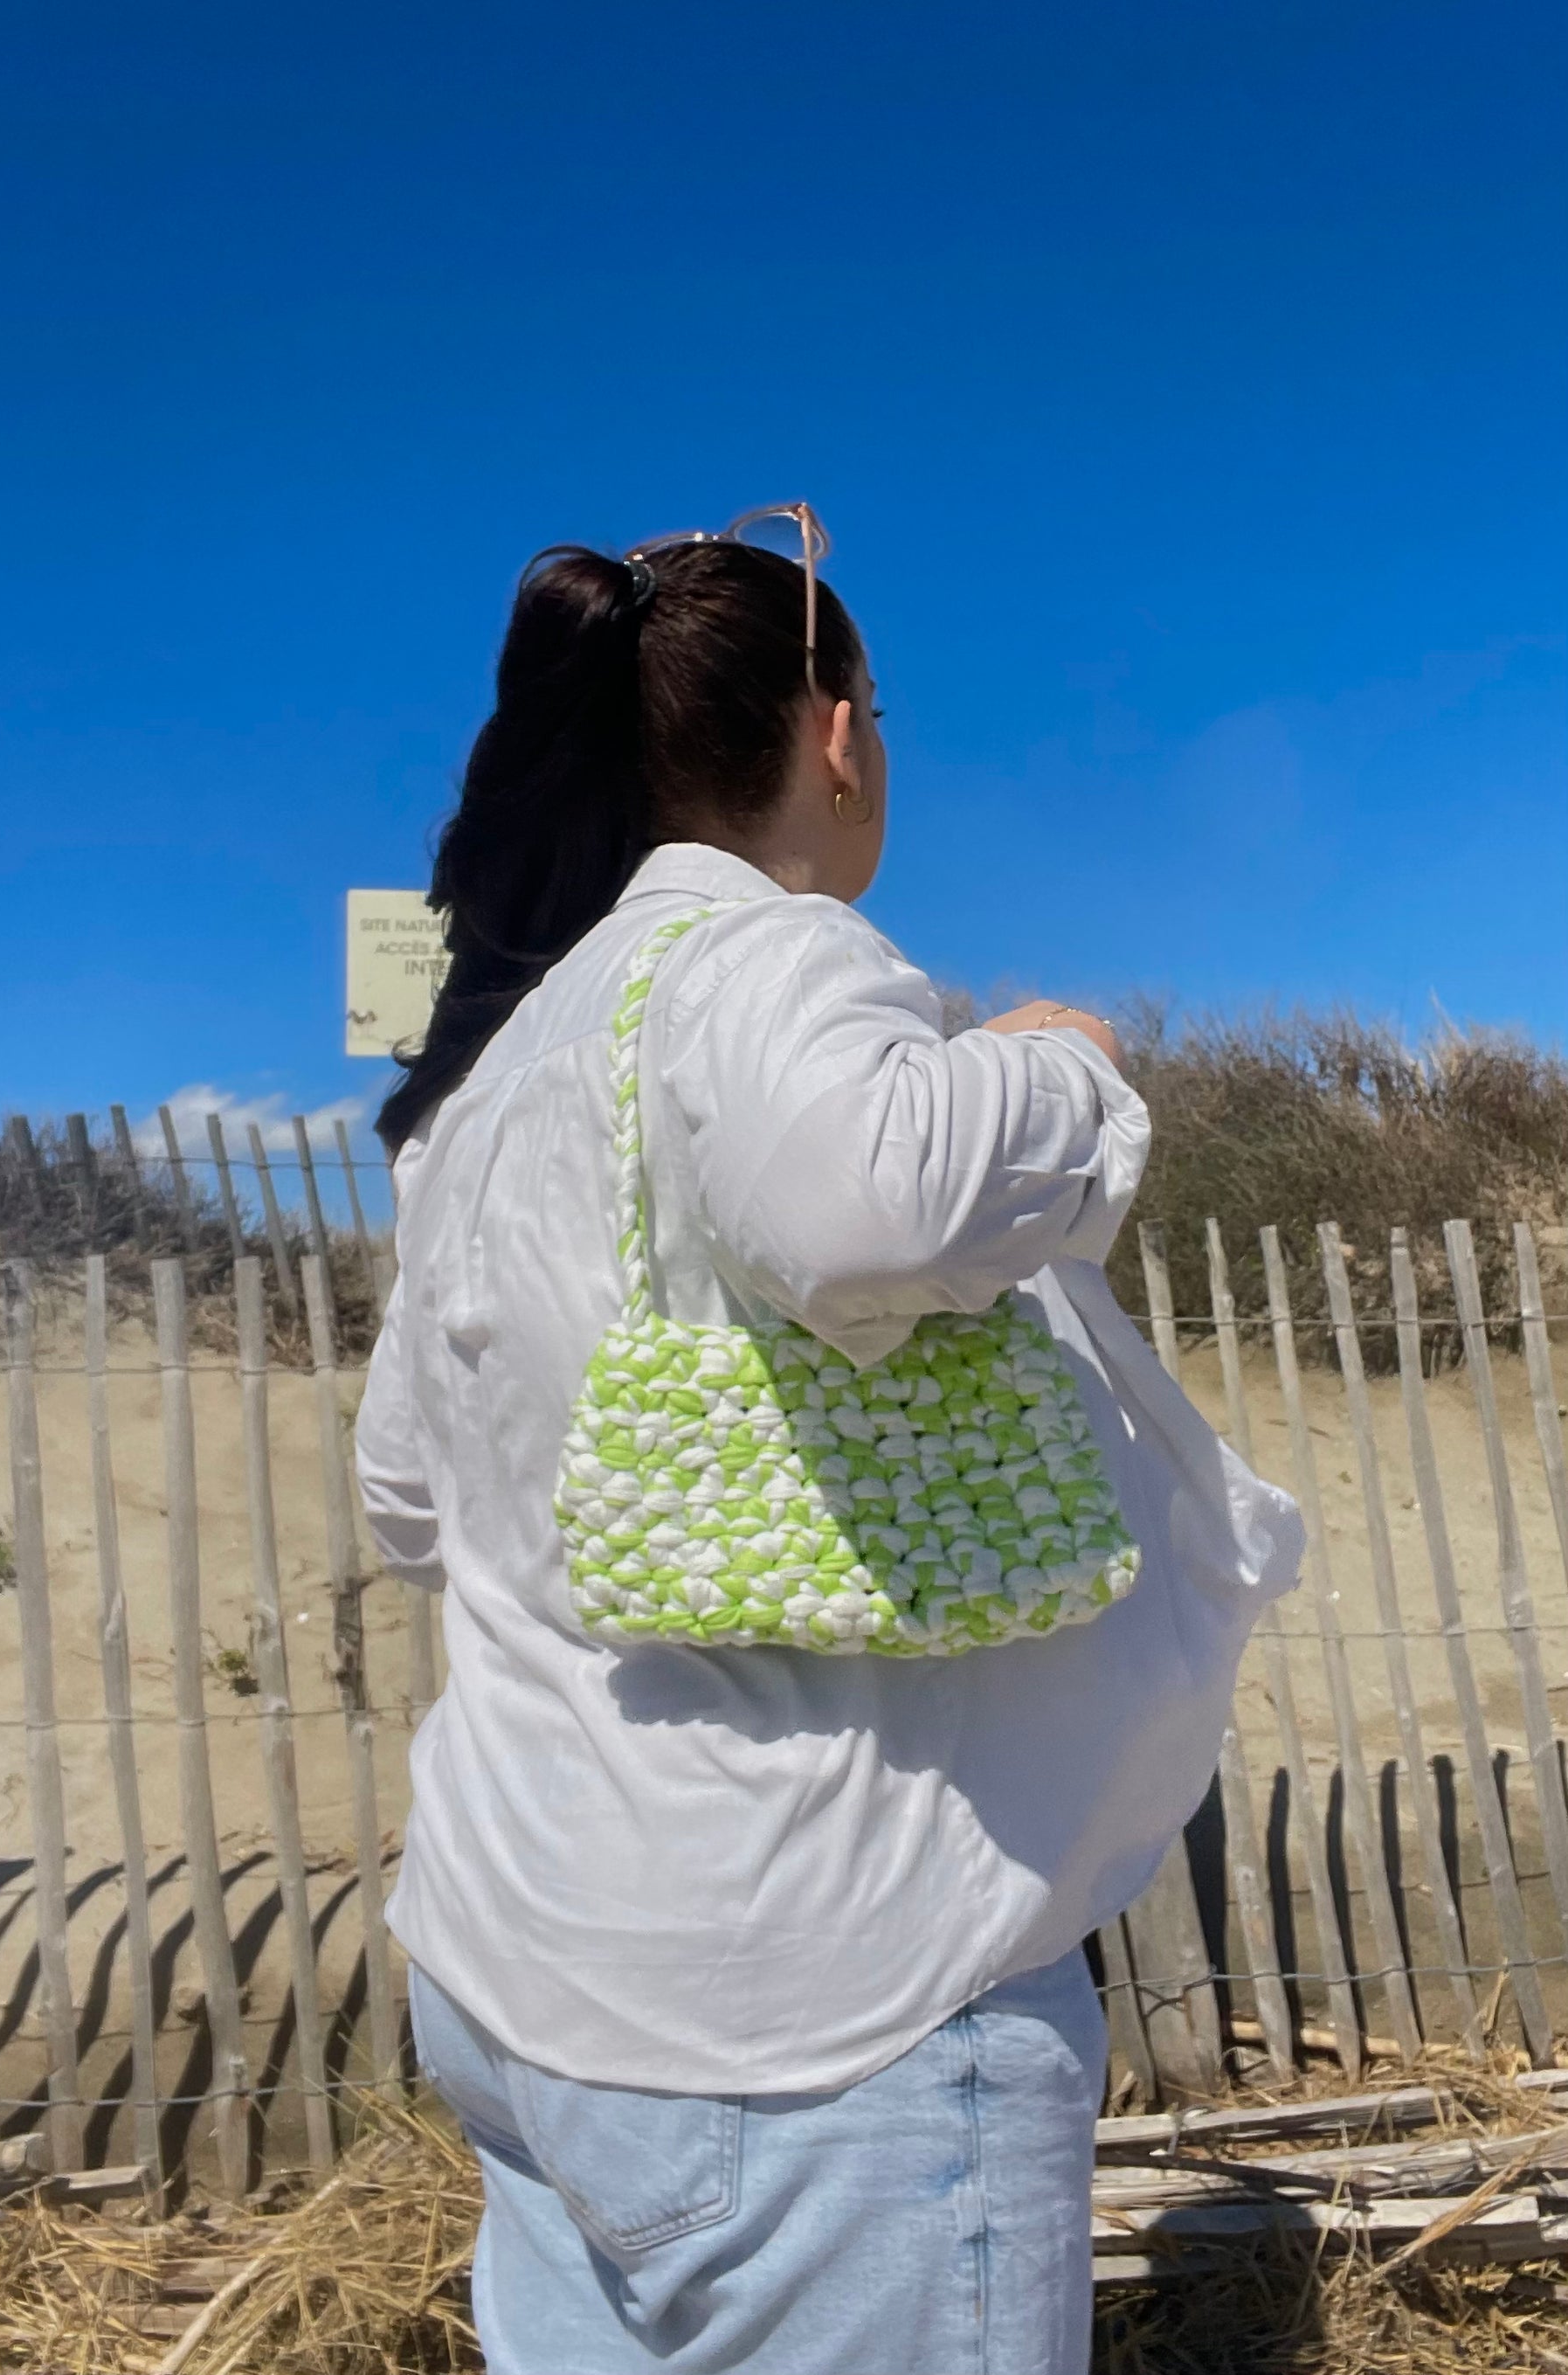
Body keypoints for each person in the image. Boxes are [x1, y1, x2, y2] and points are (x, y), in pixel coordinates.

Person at [357, 512, 1302, 2375]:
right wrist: (1060, 1056)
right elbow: (862, 1199)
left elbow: (409, 1495)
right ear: (838, 731)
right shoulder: (767, 955)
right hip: (808, 2013)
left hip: (526, 1970)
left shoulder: (495, 1085)